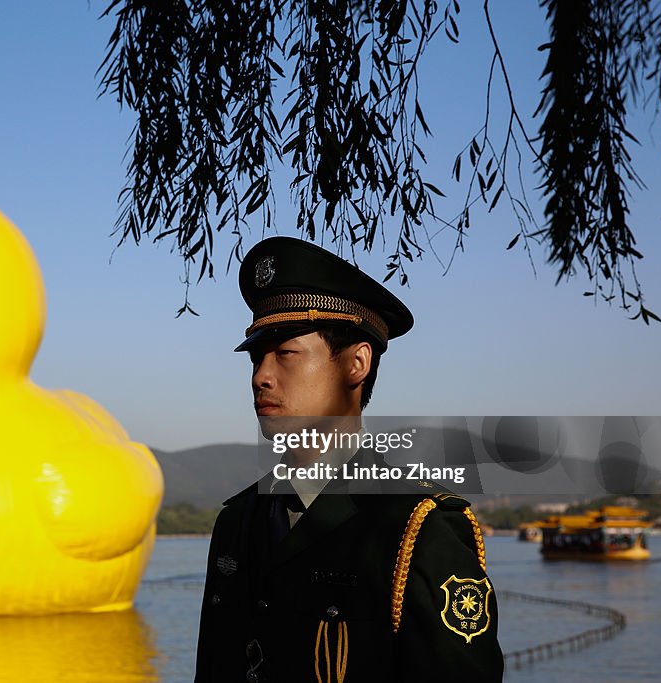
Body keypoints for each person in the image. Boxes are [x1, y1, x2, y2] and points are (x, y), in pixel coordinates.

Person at [194, 237, 504, 682]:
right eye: (258, 358)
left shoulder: (417, 526)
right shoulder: (237, 521)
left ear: (357, 363)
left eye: (286, 354)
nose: (261, 376)